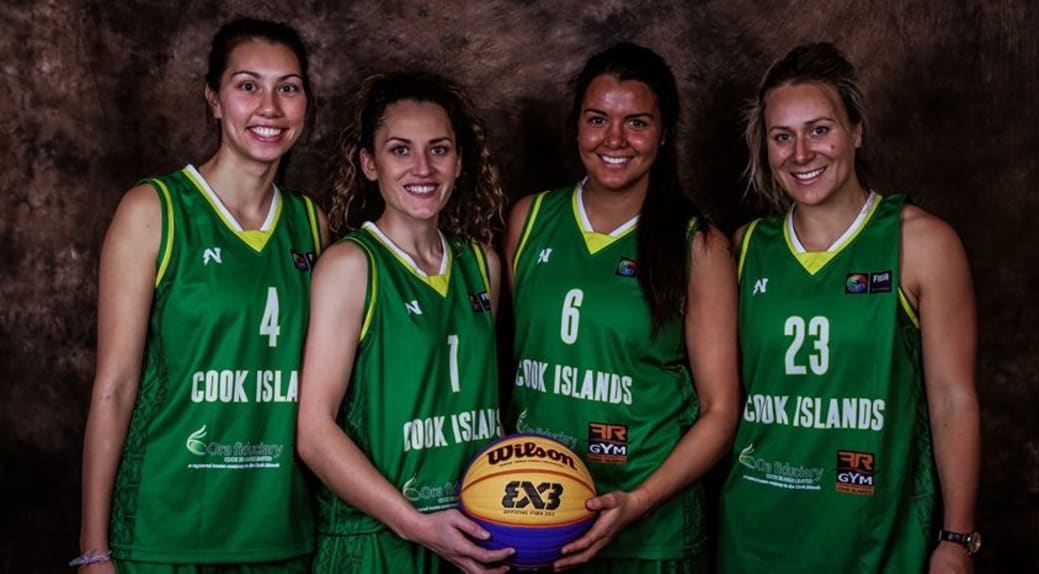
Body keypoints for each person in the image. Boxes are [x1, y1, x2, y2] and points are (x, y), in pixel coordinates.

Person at [75, 17, 328, 574]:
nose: (270, 106)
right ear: (213, 99)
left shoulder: (312, 225)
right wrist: (93, 549)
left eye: (288, 87)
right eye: (247, 86)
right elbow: (115, 387)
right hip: (165, 534)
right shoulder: (154, 209)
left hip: (278, 536)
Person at [717, 43, 981, 574]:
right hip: (756, 533)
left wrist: (957, 535)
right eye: (781, 136)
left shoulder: (922, 243)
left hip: (876, 536)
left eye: (819, 129)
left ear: (856, 131)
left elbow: (953, 399)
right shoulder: (744, 247)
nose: (801, 153)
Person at [504, 42, 740, 572]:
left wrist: (640, 501)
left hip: (650, 529)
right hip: (537, 515)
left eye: (636, 122)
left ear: (664, 131)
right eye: (597, 120)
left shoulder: (699, 246)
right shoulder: (529, 219)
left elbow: (720, 412)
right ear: (577, 126)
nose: (614, 139)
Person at [296, 72, 514, 574]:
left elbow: (479, 406)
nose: (423, 168)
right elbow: (313, 431)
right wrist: (417, 525)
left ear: (460, 162)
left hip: (474, 537)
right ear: (369, 165)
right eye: (400, 150)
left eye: (439, 150)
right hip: (377, 541)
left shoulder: (484, 265)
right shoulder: (351, 266)